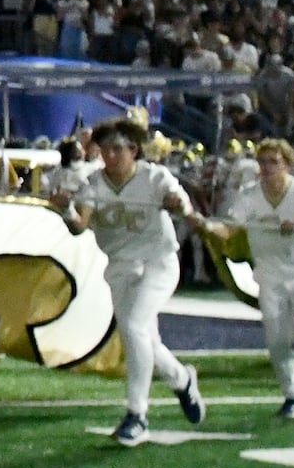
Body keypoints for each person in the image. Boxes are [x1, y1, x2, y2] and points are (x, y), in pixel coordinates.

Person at [64, 122, 206, 444]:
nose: (110, 155)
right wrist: (64, 209)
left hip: (158, 263)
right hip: (120, 267)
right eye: (105, 149)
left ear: (134, 150)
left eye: (118, 149)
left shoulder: (155, 177)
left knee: (135, 329)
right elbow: (79, 225)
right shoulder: (93, 183)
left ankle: (137, 414)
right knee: (146, 341)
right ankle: (182, 380)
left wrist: (176, 205)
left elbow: (182, 205)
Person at [215, 138, 294, 420]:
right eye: (262, 162)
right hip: (270, 275)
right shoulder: (249, 195)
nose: (267, 167)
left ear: (287, 164)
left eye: (273, 161)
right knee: (276, 340)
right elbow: (229, 228)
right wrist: (202, 224)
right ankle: (293, 396)